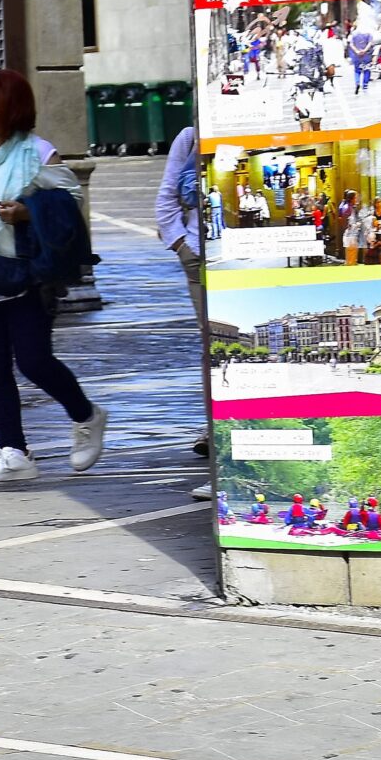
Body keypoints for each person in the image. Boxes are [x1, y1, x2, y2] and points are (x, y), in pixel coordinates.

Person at [0, 68, 106, 485]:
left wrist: (28, 212)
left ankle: (87, 416)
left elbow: (69, 204)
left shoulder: (38, 153)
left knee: (34, 361)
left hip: (25, 276)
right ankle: (15, 452)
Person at [156, 122, 213, 497]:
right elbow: (166, 196)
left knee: (232, 351)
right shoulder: (190, 136)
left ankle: (222, 436)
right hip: (198, 254)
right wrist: (181, 244)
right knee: (214, 348)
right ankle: (215, 428)